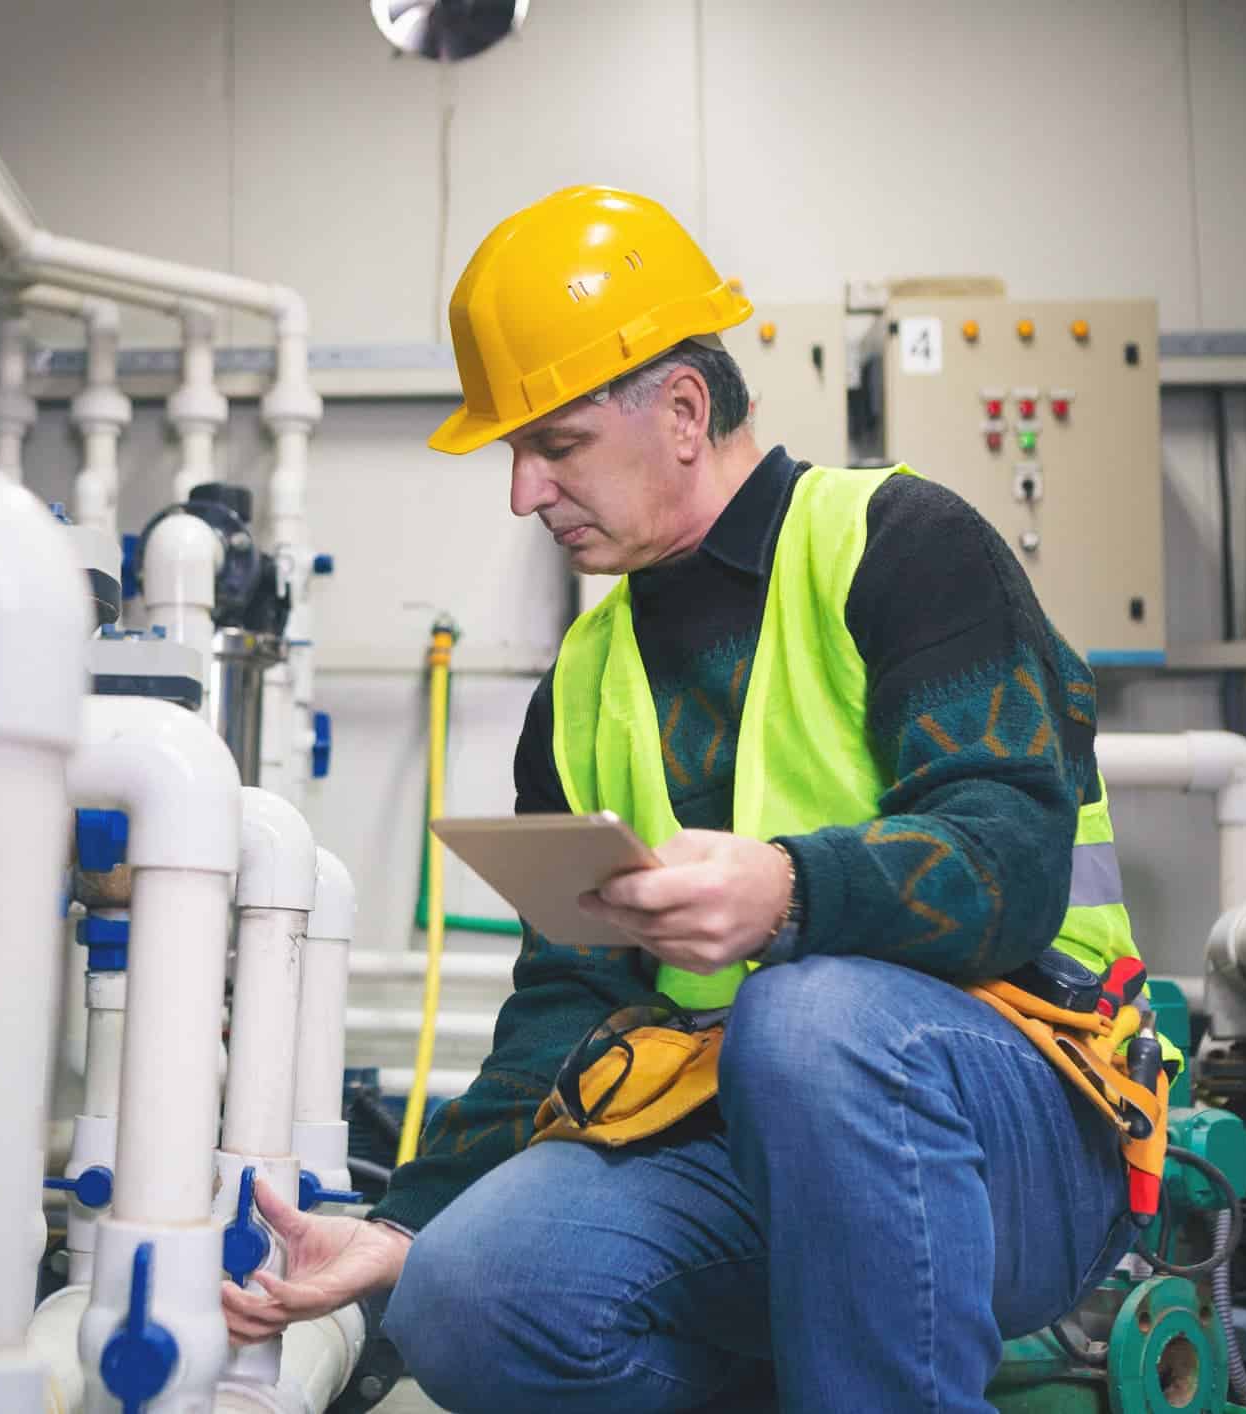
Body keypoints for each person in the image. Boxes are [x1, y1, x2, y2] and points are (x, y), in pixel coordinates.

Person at [220, 187, 1144, 1412]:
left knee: (810, 1019)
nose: (522, 493)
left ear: (686, 411)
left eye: (554, 445)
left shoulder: (902, 546)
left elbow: (1012, 861)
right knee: (465, 1296)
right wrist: (408, 1223)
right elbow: (571, 996)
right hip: (746, 1144)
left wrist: (789, 894)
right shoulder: (588, 681)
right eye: (515, 453)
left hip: (1022, 1133)